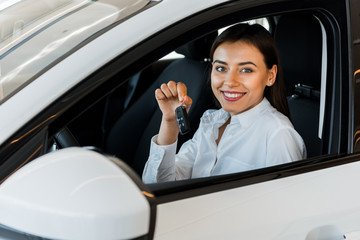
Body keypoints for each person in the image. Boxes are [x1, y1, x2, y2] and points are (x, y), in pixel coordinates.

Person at [142, 23, 306, 184]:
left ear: (270, 76)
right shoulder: (211, 121)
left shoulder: (278, 135)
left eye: (246, 70)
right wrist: (170, 123)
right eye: (221, 68)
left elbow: (284, 205)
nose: (230, 82)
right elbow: (158, 185)